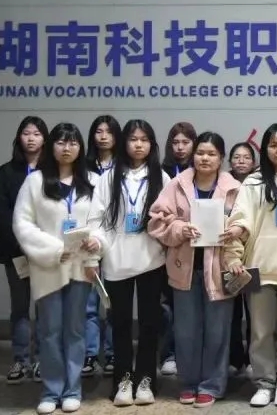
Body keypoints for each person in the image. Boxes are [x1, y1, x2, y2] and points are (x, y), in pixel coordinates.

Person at [148, 131, 242, 408]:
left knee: (217, 331)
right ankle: (188, 383)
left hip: (220, 268)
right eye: (200, 153)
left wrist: (236, 229)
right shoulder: (176, 185)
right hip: (184, 267)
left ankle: (212, 385)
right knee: (186, 330)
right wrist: (180, 228)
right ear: (193, 155)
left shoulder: (235, 188)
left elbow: (246, 221)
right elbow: (157, 220)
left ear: (221, 158)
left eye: (211, 154)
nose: (205, 158)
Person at [12, 123, 98, 414]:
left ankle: (72, 389)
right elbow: (22, 224)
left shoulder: (93, 181)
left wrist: (96, 246)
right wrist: (55, 249)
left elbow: (101, 222)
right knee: (49, 331)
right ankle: (51, 391)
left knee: (75, 330)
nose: (66, 148)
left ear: (80, 148)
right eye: (61, 142)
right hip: (48, 268)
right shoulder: (35, 182)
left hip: (81, 268)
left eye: (72, 143)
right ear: (51, 147)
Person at [85, 119, 171, 406]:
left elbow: (171, 216)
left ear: (151, 145)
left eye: (144, 140)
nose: (138, 144)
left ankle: (146, 379)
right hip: (116, 260)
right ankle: (122, 379)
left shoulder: (161, 177)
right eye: (133, 139)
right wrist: (97, 246)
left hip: (151, 259)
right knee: (119, 323)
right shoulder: (108, 177)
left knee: (149, 323)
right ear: (124, 143)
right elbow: (97, 219)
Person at [223, 124, 277, 408]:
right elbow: (240, 221)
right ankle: (263, 382)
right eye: (273, 145)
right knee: (259, 331)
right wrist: (234, 254)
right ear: (265, 149)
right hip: (258, 266)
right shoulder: (253, 182)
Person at [0, 116, 48, 384]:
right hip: (16, 252)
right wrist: (22, 242)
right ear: (19, 138)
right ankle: (21, 359)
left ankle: (42, 359)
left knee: (46, 308)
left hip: (46, 253)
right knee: (20, 307)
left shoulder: (52, 171)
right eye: (26, 133)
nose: (31, 138)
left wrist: (42, 244)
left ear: (44, 139)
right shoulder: (6, 172)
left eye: (36, 133)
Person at [158, 122, 196, 377]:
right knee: (167, 306)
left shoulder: (201, 172)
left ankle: (189, 354)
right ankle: (169, 354)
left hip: (193, 247)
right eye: (175, 143)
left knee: (190, 306)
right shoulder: (161, 172)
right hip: (165, 246)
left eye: (185, 142)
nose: (180, 147)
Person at [83, 115, 120, 376]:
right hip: (90, 241)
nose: (103, 136)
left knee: (113, 302)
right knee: (89, 304)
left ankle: (112, 352)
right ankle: (90, 353)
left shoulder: (124, 168)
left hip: (117, 242)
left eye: (109, 131)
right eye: (99, 131)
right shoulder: (82, 167)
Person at [227, 141, 258, 377]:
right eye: (237, 157)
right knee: (232, 312)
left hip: (255, 254)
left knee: (254, 312)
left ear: (254, 162)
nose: (241, 161)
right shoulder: (223, 186)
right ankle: (234, 358)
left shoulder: (260, 184)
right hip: (230, 255)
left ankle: (252, 358)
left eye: (246, 157)